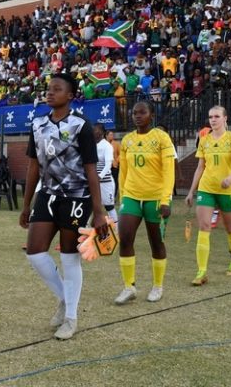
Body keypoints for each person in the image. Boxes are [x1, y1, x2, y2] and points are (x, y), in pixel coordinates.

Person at [19, 73, 108, 340]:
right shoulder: (37, 125)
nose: (50, 93)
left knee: (69, 256)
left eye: (57, 89)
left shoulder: (81, 125)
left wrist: (99, 211)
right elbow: (33, 166)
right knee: (35, 253)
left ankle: (71, 318)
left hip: (77, 197)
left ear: (70, 96)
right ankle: (66, 299)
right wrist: (26, 204)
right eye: (48, 89)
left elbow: (91, 169)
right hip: (47, 195)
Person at [114, 102, 175, 304]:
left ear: (151, 115)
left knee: (156, 243)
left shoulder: (161, 138)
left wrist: (166, 200)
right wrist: (122, 197)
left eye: (142, 112)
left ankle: (158, 286)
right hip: (131, 196)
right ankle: (129, 286)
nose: (138, 116)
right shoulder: (127, 140)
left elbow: (168, 171)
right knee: (125, 239)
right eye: (134, 113)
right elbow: (123, 172)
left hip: (156, 198)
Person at [185, 106, 231, 284]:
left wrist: (230, 178)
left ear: (225, 118)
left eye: (217, 116)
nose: (213, 120)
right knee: (204, 227)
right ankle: (201, 272)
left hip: (227, 189)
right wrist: (191, 191)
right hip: (206, 189)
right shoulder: (204, 140)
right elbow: (200, 167)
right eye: (210, 117)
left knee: (230, 229)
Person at [107, 130, 121, 196]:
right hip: (106, 166)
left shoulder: (116, 144)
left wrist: (117, 161)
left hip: (114, 165)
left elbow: (120, 154)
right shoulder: (104, 144)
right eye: (110, 135)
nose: (112, 136)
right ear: (106, 136)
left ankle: (114, 195)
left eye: (112, 135)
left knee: (115, 180)